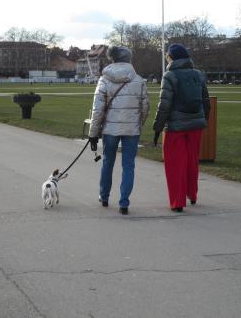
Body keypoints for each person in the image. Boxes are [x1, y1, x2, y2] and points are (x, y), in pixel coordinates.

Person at [88, 46, 149, 215]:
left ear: (112, 59)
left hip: (110, 129)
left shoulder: (104, 80)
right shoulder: (138, 80)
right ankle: (124, 202)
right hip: (132, 129)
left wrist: (93, 133)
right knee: (128, 166)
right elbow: (145, 107)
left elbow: (97, 109)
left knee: (108, 162)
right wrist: (138, 124)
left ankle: (104, 196)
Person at [152, 44, 210, 212]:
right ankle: (192, 194)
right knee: (192, 162)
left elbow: (164, 105)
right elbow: (205, 101)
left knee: (175, 164)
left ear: (171, 57)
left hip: (176, 126)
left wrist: (158, 127)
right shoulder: (198, 75)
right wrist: (203, 119)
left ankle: (177, 201)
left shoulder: (169, 76)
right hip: (196, 125)